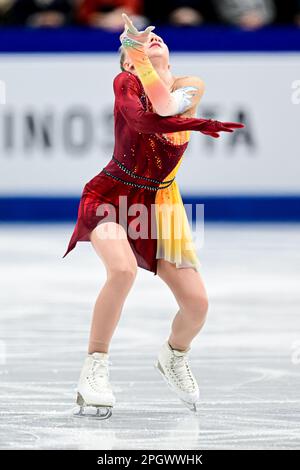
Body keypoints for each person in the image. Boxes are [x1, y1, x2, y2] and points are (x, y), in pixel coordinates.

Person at [63, 13, 244, 418]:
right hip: (110, 195)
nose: (153, 39)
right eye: (141, 45)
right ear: (128, 63)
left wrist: (140, 52)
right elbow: (146, 117)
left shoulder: (189, 85)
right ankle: (95, 368)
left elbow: (165, 104)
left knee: (197, 304)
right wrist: (138, 57)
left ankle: (174, 355)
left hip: (160, 206)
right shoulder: (125, 82)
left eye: (157, 38)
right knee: (122, 270)